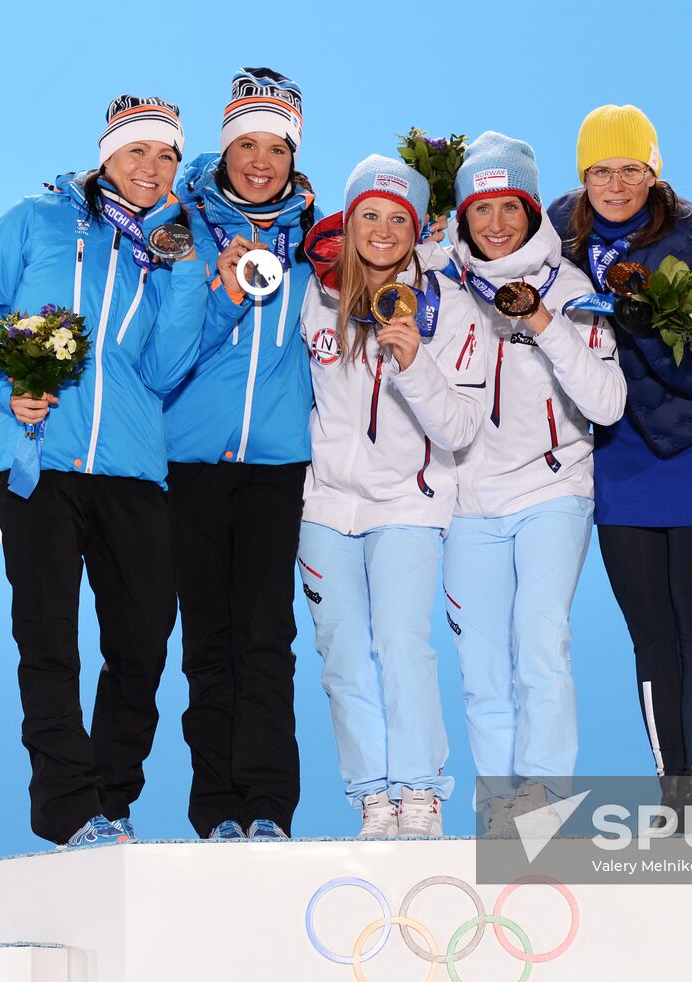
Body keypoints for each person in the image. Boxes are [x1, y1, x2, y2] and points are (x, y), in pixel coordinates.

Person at [0, 95, 207, 848]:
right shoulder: (37, 221)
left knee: (143, 640)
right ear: (106, 156)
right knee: (50, 640)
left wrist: (186, 273)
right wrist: (9, 389)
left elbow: (164, 368)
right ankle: (67, 809)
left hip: (131, 469)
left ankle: (112, 799)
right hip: (41, 464)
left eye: (166, 157)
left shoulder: (168, 246)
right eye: (137, 153)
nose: (152, 170)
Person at [547, 106, 692, 830]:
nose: (616, 183)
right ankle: (671, 791)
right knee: (650, 633)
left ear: (653, 172)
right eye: (601, 169)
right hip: (619, 453)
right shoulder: (559, 234)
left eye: (631, 168)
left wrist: (645, 328)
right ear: (584, 176)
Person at [297, 155, 487, 838]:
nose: (381, 230)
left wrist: (413, 364)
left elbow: (462, 426)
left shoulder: (450, 306)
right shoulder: (313, 294)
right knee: (343, 653)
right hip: (323, 508)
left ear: (418, 228)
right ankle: (373, 798)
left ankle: (419, 794)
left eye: (398, 218)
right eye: (368, 215)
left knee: (403, 645)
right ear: (348, 223)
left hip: (409, 504)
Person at [443, 132, 625, 834]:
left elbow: (606, 404)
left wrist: (543, 322)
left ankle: (544, 799)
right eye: (479, 210)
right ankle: (497, 805)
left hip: (554, 490)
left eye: (508, 208)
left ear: (529, 209)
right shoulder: (443, 284)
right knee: (481, 660)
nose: (495, 225)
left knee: (539, 641)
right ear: (462, 216)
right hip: (468, 498)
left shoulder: (572, 288)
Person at [161, 68, 320, 842]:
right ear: (224, 149)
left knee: (267, 636)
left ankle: (268, 808)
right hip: (189, 461)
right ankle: (216, 808)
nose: (261, 162)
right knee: (208, 641)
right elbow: (164, 352)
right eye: (245, 145)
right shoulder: (179, 227)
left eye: (276, 147)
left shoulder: (317, 235)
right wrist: (222, 293)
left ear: (294, 154)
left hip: (276, 461)